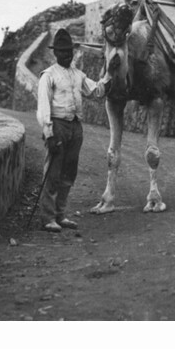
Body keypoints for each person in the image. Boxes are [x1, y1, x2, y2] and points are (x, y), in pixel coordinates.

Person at [37, 28, 118, 232]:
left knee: (69, 173)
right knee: (53, 172)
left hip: (75, 126)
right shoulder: (48, 76)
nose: (67, 55)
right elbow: (43, 106)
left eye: (69, 51)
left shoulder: (77, 74)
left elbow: (96, 91)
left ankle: (60, 214)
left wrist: (110, 74)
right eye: (63, 51)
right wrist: (49, 133)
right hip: (57, 124)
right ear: (55, 53)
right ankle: (48, 217)